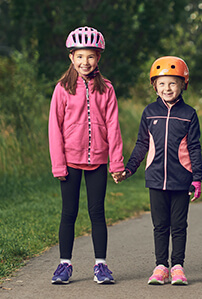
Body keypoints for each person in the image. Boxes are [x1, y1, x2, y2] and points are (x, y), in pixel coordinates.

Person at [116, 56, 202, 285]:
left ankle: (177, 267)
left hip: (181, 179)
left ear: (183, 84)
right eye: (162, 83)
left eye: (173, 83)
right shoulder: (149, 112)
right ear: (154, 85)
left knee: (179, 225)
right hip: (155, 179)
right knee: (160, 225)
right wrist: (130, 168)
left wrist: (197, 179)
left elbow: (194, 147)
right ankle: (161, 267)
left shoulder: (189, 114)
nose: (167, 88)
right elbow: (141, 144)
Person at [48, 26, 124, 284]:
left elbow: (113, 127)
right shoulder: (62, 89)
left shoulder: (107, 89)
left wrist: (116, 163)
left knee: (97, 212)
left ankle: (100, 265)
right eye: (80, 56)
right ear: (71, 57)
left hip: (98, 162)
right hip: (69, 162)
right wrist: (58, 165)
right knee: (68, 213)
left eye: (90, 56)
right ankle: (64, 265)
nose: (85, 61)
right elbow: (54, 129)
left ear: (98, 58)